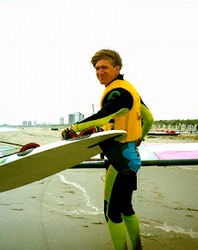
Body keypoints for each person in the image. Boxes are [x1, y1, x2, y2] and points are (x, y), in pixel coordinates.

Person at [62, 49, 154, 249]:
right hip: (131, 158)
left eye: (104, 67)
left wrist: (74, 129)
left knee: (111, 213)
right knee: (126, 209)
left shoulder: (118, 92)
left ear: (117, 68)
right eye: (96, 68)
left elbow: (104, 115)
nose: (99, 72)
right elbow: (149, 119)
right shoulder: (132, 91)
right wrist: (139, 138)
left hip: (118, 162)